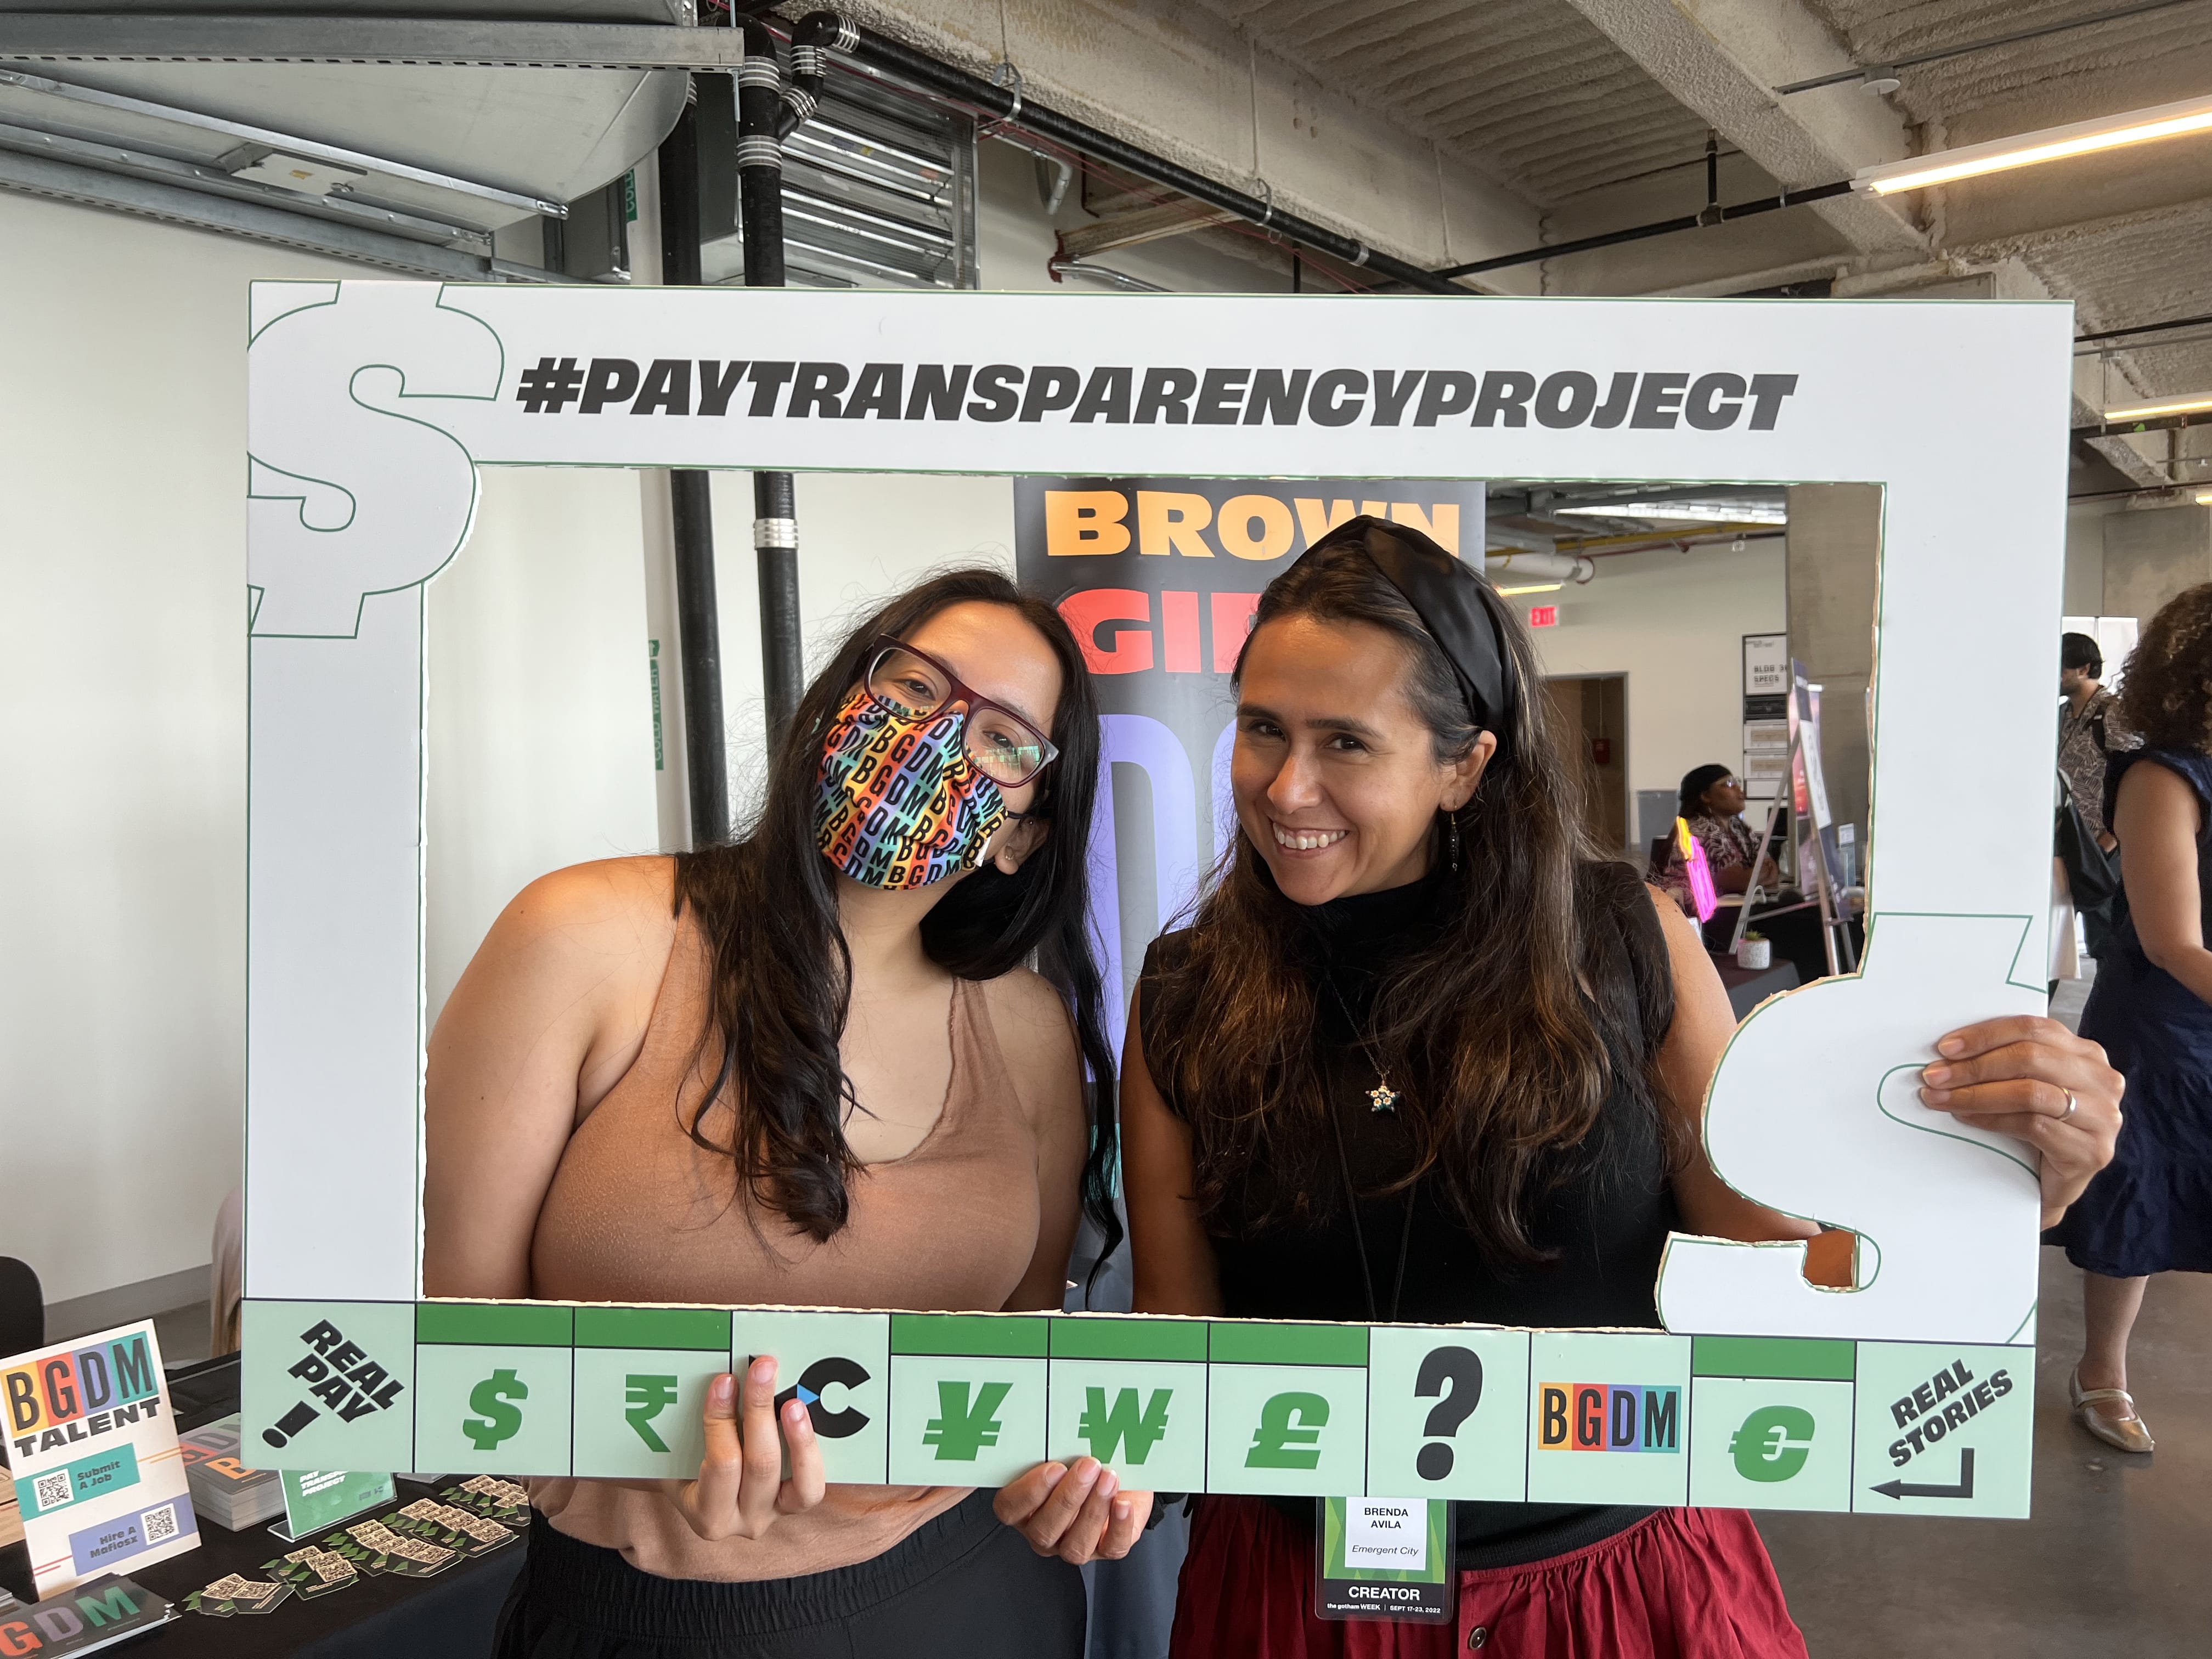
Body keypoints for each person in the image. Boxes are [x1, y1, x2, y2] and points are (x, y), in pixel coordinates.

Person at [997, 518, 2124, 1656]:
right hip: (1302, 1595)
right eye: (1261, 729)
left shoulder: (1626, 942)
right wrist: (1107, 1460)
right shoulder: (1190, 990)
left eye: (1346, 742)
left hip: (1617, 1588)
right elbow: (1183, 1334)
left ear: (1465, 766)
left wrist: (1993, 1204)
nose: (1287, 785)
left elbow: (1769, 1260)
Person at [424, 568, 1116, 1658]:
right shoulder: (584, 940)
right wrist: (641, 1454)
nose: (934, 738)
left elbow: (1016, 1359)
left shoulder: (1029, 1033)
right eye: (914, 685)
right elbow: (461, 1341)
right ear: (840, 705)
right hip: (658, 1616)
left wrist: (1073, 1471)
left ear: (1022, 834)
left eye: (1001, 739)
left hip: (978, 1595)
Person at [2049, 585, 2212, 1457]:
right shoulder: (2162, 775)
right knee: (2139, 1197)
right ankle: (2101, 1373)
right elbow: (2173, 941)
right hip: (2166, 1027)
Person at [2058, 631, 2128, 960]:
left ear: (2084, 669)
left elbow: (2134, 778)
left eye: (2062, 668)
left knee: (2105, 941)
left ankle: (2110, 1008)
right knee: (2054, 937)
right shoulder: (2061, 716)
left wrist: (2110, 840)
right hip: (2065, 842)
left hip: (2102, 847)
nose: (2054, 676)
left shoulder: (2113, 714)